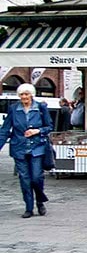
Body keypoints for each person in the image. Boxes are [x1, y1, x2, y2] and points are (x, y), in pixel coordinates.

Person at [0, 83, 53, 218]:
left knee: (36, 177)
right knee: (24, 179)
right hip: (19, 148)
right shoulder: (13, 109)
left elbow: (49, 126)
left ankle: (40, 201)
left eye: (26, 94)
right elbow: (5, 129)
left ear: (31, 95)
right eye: (22, 94)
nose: (24, 97)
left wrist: (37, 130)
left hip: (37, 147)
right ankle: (28, 207)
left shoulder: (40, 108)